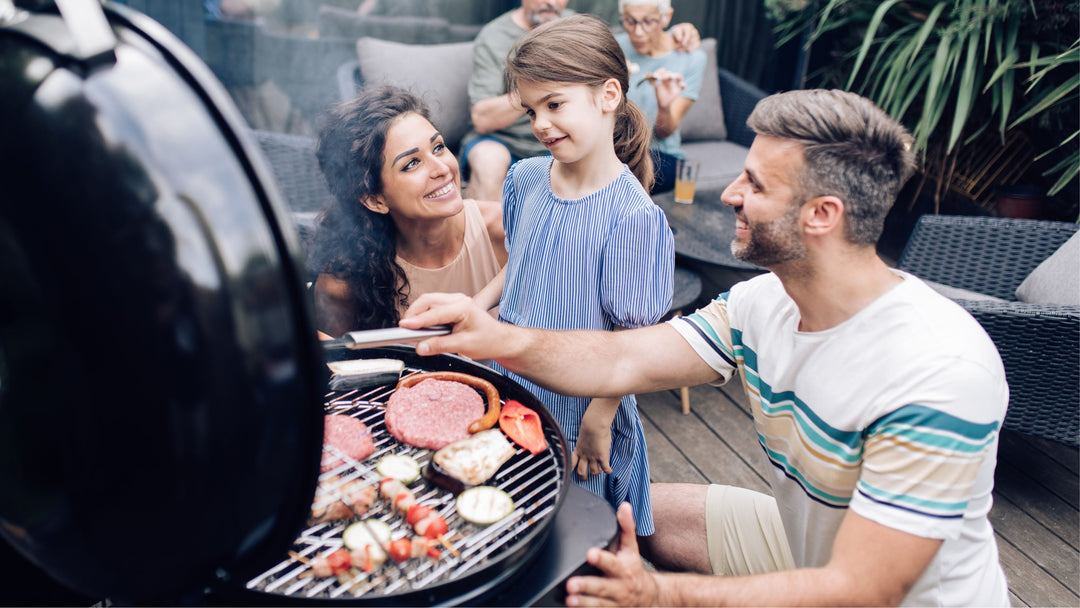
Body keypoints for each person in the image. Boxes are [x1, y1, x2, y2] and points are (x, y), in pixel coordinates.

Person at [399, 88, 1010, 606]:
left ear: (822, 214)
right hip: (806, 535)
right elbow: (624, 357)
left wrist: (661, 594)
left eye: (755, 184)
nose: (728, 193)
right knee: (625, 513)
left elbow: (859, 586)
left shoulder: (939, 372)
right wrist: (495, 335)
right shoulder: (761, 303)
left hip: (883, 591)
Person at [484, 14, 675, 537]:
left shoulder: (631, 217)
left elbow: (635, 339)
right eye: (531, 110)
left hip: (582, 406)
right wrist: (472, 311)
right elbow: (518, 264)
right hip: (512, 384)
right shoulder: (524, 178)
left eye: (554, 104)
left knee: (569, 531)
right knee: (508, 517)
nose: (541, 124)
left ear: (608, 94)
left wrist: (600, 418)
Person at [309, 86, 507, 337]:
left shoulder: (504, 232)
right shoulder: (345, 280)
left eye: (438, 147)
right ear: (374, 199)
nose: (442, 168)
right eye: (412, 163)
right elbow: (337, 370)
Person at [460, 0, 702, 201]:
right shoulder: (494, 37)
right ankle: (484, 249)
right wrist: (539, 88)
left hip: (552, 147)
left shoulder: (576, 25)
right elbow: (482, 119)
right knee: (490, 160)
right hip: (501, 140)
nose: (551, 3)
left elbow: (630, 40)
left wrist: (678, 32)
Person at [617, 0, 706, 193]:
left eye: (648, 21)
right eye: (630, 21)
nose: (637, 32)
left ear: (666, 17)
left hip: (661, 154)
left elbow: (665, 133)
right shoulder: (616, 47)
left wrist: (664, 106)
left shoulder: (692, 58)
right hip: (616, 146)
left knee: (622, 176)